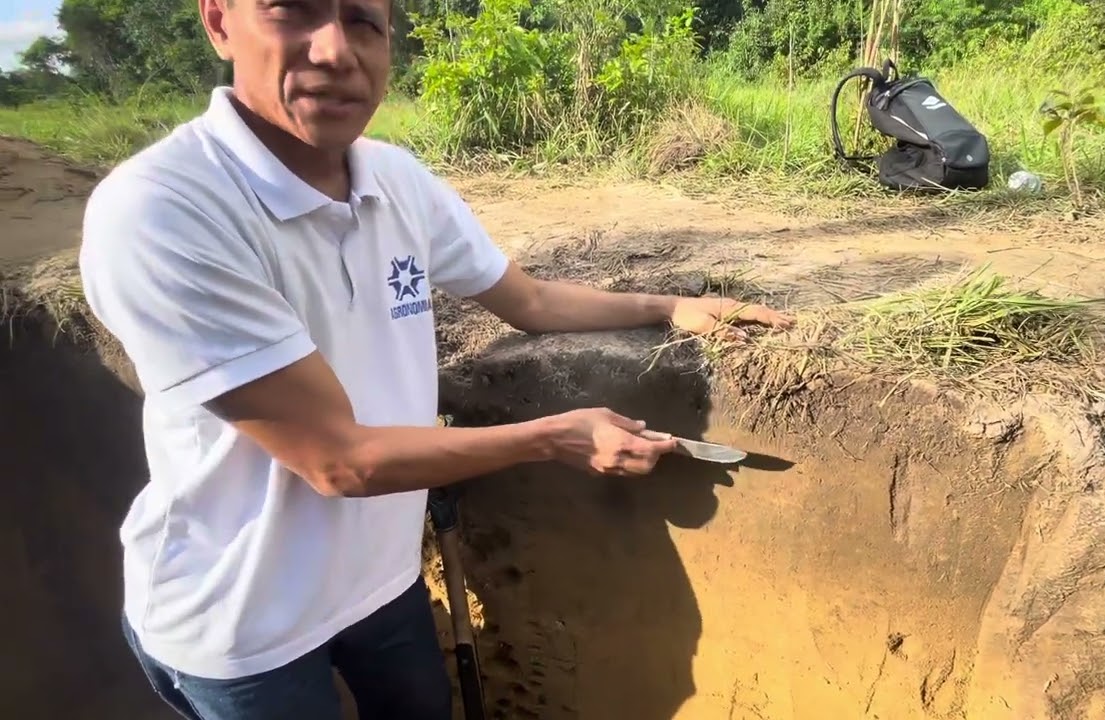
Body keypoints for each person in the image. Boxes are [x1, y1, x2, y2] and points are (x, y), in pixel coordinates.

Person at [77, 1, 792, 719]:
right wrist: (552, 437)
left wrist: (667, 306)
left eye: (362, 21)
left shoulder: (396, 180)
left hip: (380, 584)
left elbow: (530, 300)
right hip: (242, 622)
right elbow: (340, 461)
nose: (335, 50)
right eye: (293, 10)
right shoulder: (163, 210)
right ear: (219, 22)